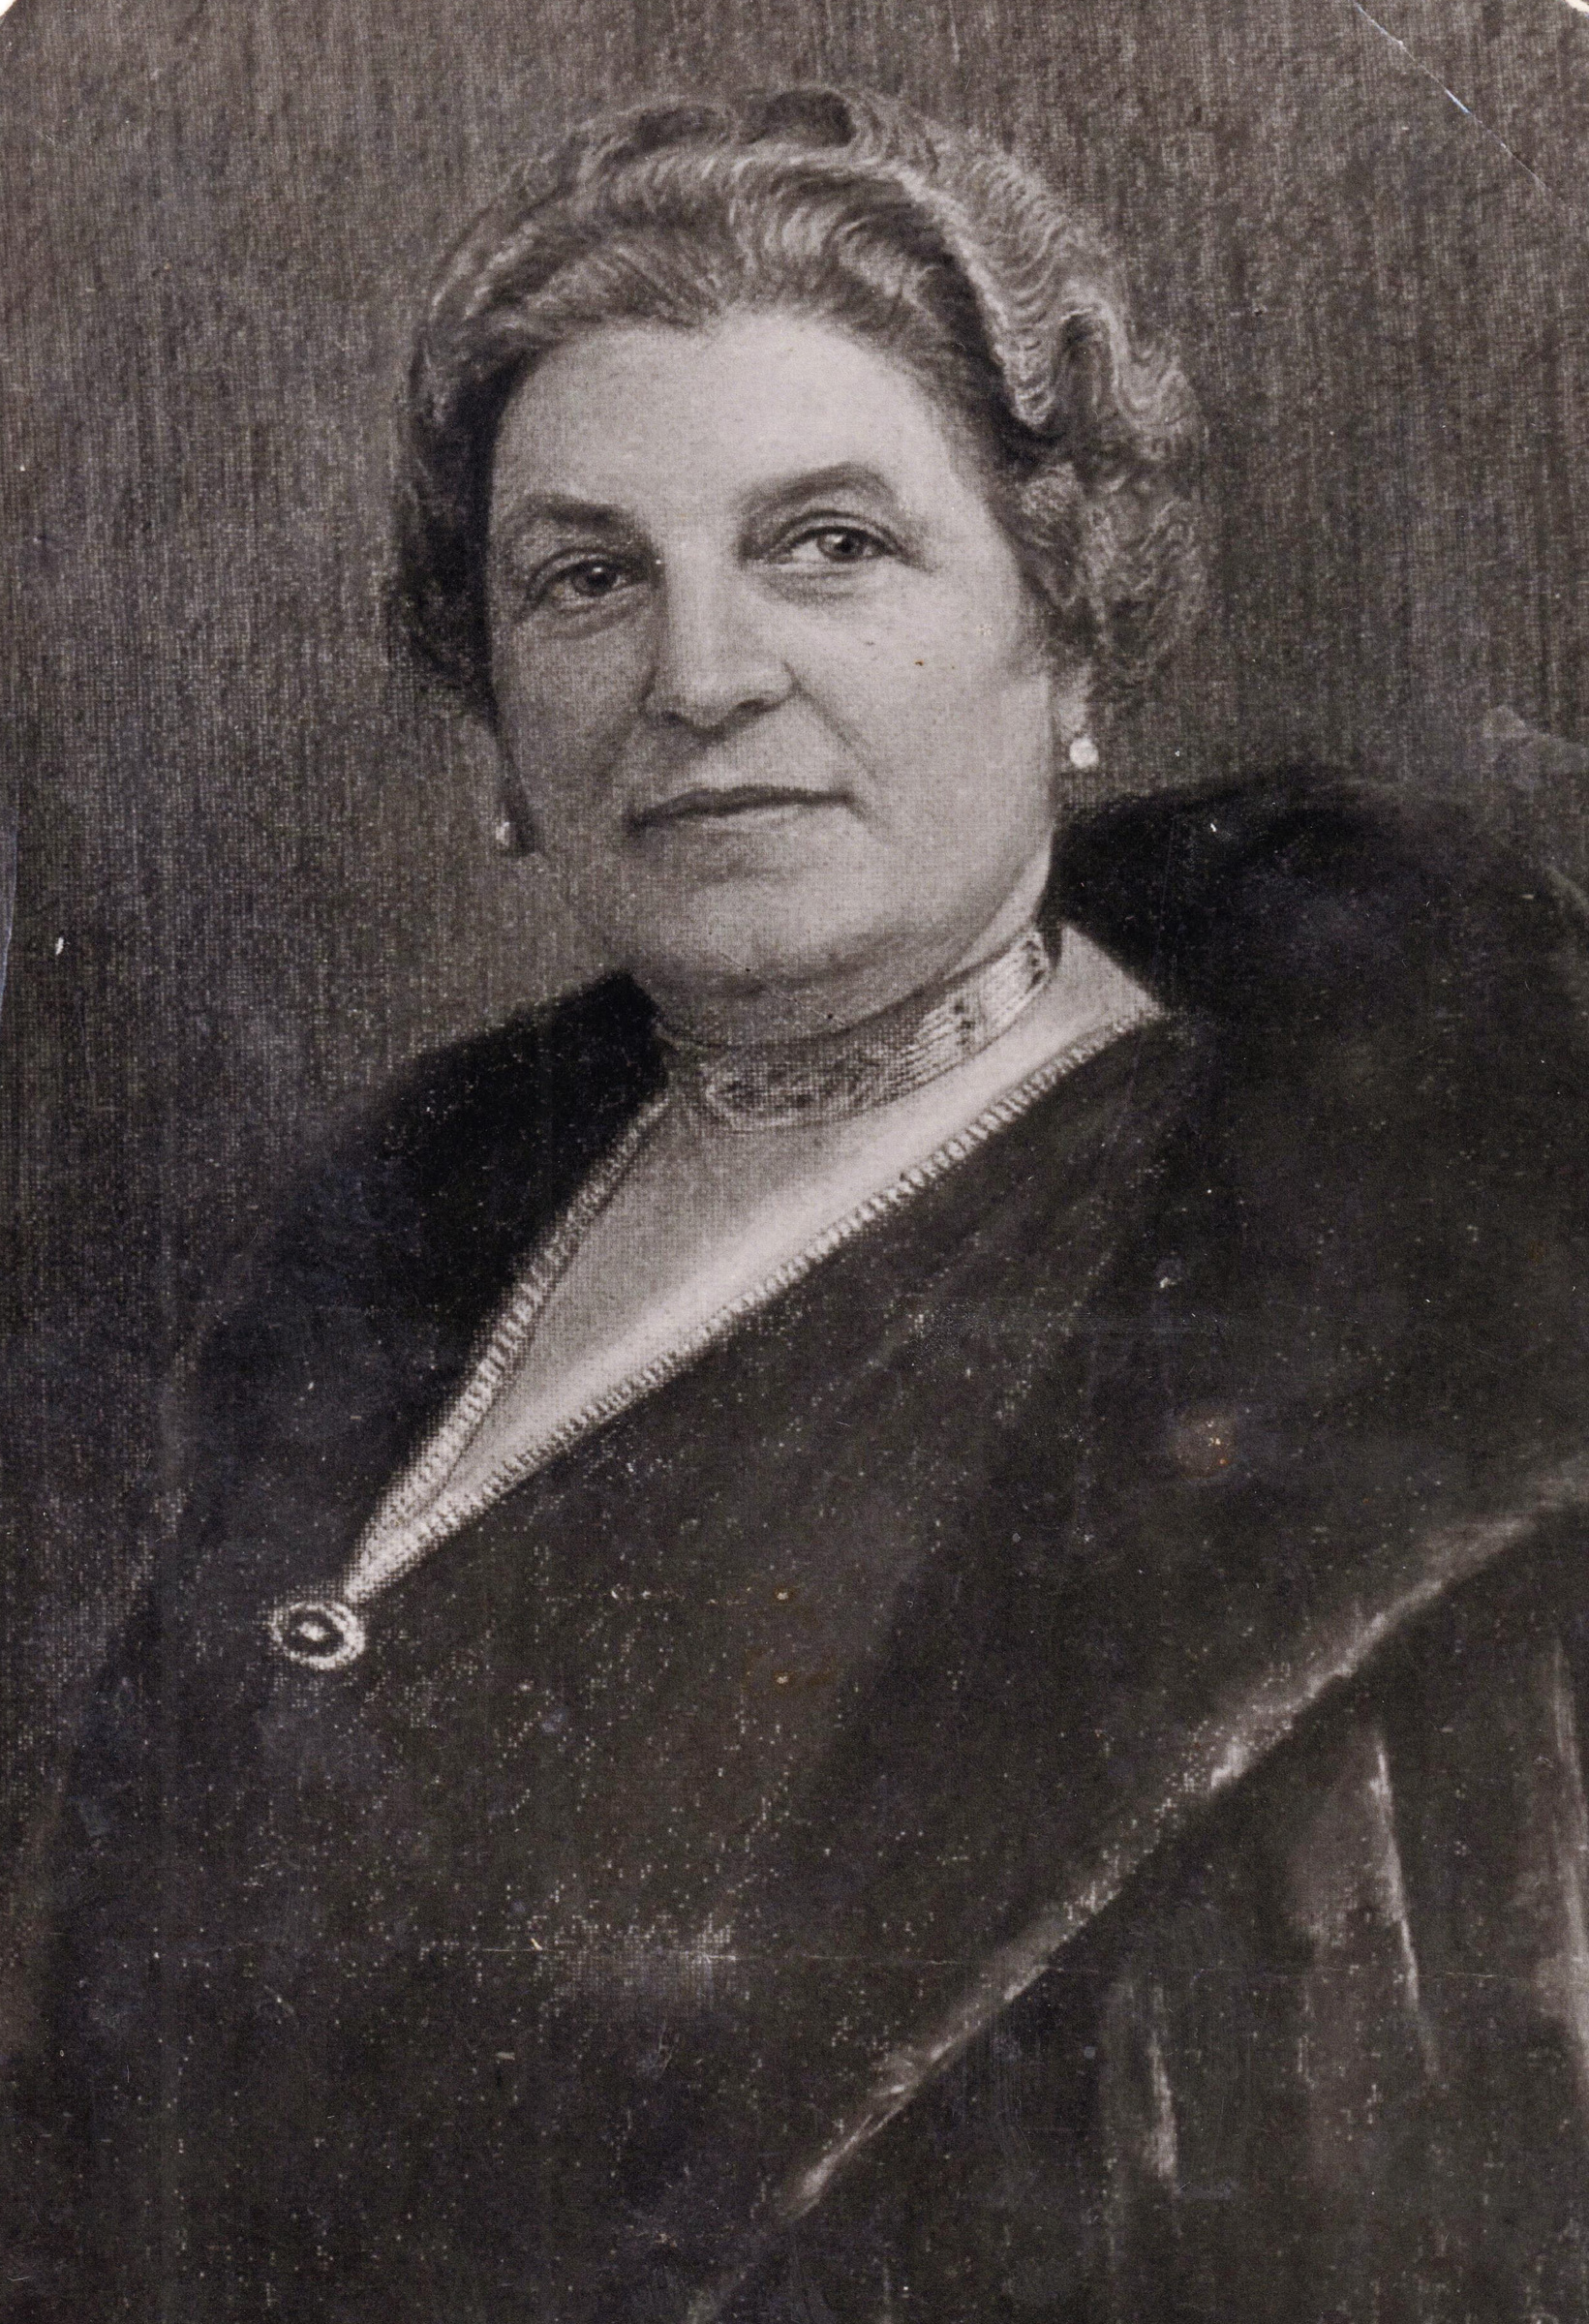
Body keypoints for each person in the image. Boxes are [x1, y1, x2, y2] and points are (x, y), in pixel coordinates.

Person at [9, 84, 1589, 2324]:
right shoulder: (381, 1263)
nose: (701, 677)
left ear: (1067, 638)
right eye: (587, 578)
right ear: (493, 726)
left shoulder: (1383, 1344)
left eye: (826, 543)